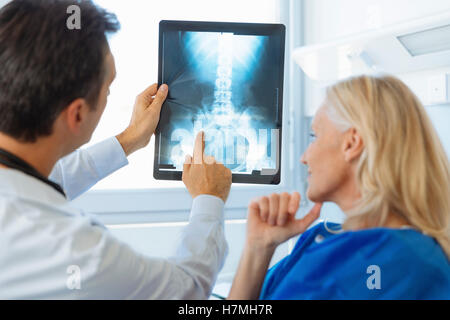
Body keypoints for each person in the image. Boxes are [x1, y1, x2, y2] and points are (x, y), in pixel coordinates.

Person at [0, 0, 231, 299]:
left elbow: (41, 182)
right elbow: (188, 290)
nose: (108, 95)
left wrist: (130, 139)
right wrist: (209, 201)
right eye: (108, 89)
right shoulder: (74, 250)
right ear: (78, 114)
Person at [228, 75, 450, 300]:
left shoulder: (402, 262)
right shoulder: (322, 237)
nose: (304, 157)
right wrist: (258, 249)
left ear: (352, 143)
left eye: (315, 136)